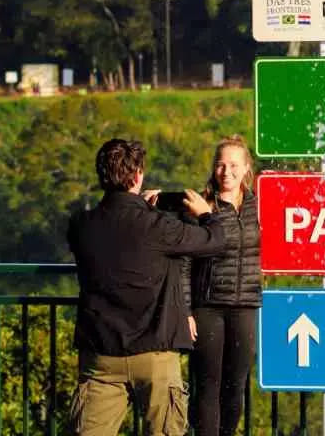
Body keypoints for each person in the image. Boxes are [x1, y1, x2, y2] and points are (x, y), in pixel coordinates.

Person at [68, 138, 228, 436]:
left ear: (102, 174)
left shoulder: (81, 225)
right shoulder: (157, 227)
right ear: (138, 174)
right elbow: (215, 241)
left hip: (101, 354)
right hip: (155, 353)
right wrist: (206, 214)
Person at [189, 136, 261, 436]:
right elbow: (183, 262)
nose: (226, 171)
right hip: (208, 305)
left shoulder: (259, 205)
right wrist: (186, 310)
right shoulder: (200, 206)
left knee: (236, 386)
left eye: (233, 165)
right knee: (208, 384)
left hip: (245, 304)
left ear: (246, 168)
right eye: (220, 164)